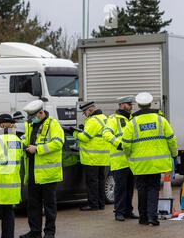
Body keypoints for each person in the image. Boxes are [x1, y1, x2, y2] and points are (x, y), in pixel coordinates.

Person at [121, 92, 178, 226]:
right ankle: (153, 217)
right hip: (156, 163)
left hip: (140, 164)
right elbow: (171, 139)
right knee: (153, 189)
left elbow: (125, 144)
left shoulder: (132, 122)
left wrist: (129, 155)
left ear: (139, 105)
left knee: (141, 189)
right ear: (150, 104)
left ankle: (143, 218)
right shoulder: (160, 120)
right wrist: (174, 154)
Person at [20, 100, 65, 238]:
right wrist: (23, 145)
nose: (30, 119)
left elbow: (58, 143)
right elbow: (26, 139)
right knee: (33, 204)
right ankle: (35, 231)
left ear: (41, 112)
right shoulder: (30, 125)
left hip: (48, 173)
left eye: (33, 116)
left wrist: (37, 149)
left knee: (49, 204)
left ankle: (49, 232)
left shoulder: (53, 124)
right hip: (33, 171)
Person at [67, 101, 109, 211]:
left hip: (92, 157)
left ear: (89, 111)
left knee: (92, 182)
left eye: (85, 113)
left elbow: (85, 137)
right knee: (100, 182)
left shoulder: (93, 121)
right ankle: (101, 204)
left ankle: (93, 205)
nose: (85, 115)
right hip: (103, 156)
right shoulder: (104, 118)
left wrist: (74, 133)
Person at [102, 97, 139, 221]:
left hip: (131, 161)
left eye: (131, 104)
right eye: (128, 104)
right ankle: (119, 212)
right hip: (119, 161)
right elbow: (106, 133)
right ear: (122, 105)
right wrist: (118, 143)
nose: (131, 106)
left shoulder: (131, 119)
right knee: (120, 189)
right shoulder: (114, 119)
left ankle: (128, 211)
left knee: (129, 188)